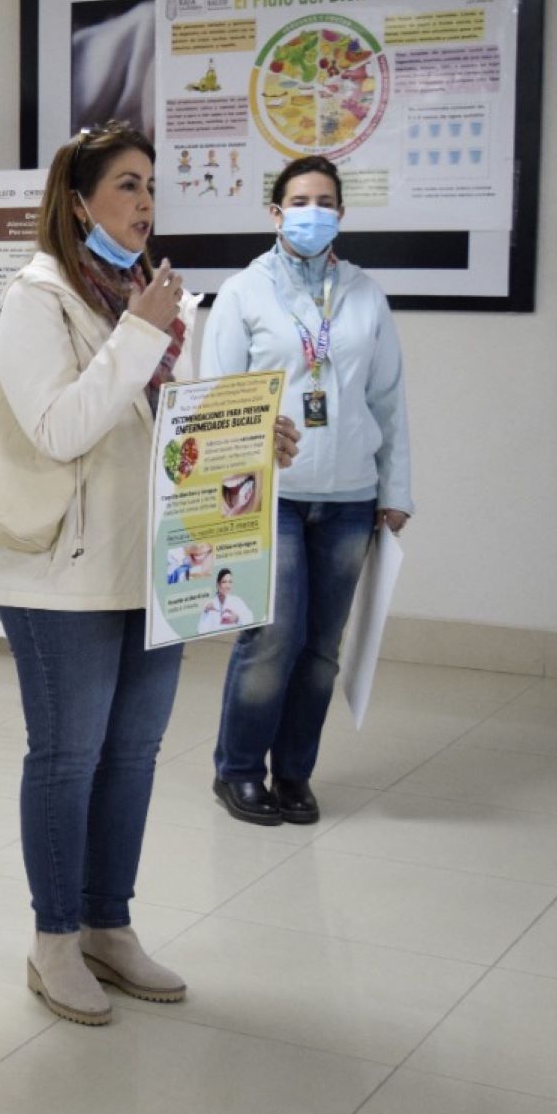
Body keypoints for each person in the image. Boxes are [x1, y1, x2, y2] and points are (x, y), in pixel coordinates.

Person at [0, 121, 299, 1026]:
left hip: (162, 570)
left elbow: (183, 434)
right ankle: (53, 941)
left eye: (152, 187)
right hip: (64, 580)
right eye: (127, 186)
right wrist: (138, 333)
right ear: (78, 201)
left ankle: (106, 926)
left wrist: (256, 438)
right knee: (67, 758)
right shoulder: (35, 298)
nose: (145, 205)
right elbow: (59, 429)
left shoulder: (154, 299)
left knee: (132, 757)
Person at [200, 154, 412, 826]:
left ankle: (294, 773)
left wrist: (394, 487)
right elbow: (217, 401)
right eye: (299, 200)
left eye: (324, 200)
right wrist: (223, 495)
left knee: (322, 648)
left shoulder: (364, 294)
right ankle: (237, 770)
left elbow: (389, 400)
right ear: (276, 212)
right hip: (273, 495)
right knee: (272, 637)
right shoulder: (243, 292)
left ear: (341, 214)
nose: (311, 211)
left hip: (350, 498)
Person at [197, 568, 255, 634]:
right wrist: (206, 612)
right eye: (224, 582)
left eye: (230, 582)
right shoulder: (210, 605)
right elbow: (201, 630)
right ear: (218, 584)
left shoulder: (237, 601)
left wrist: (237, 618)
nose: (227, 586)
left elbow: (250, 619)